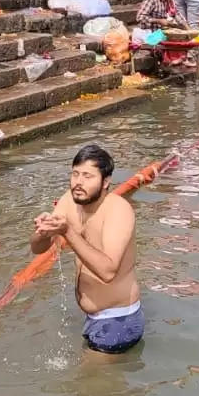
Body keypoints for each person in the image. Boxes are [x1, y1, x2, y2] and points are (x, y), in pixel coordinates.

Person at [30, 145, 144, 355]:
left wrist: (67, 231)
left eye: (88, 176)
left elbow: (108, 271)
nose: (78, 182)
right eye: (75, 174)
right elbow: (38, 249)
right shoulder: (69, 200)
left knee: (88, 386)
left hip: (118, 320)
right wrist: (42, 231)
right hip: (93, 318)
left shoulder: (118, 210)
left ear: (105, 182)